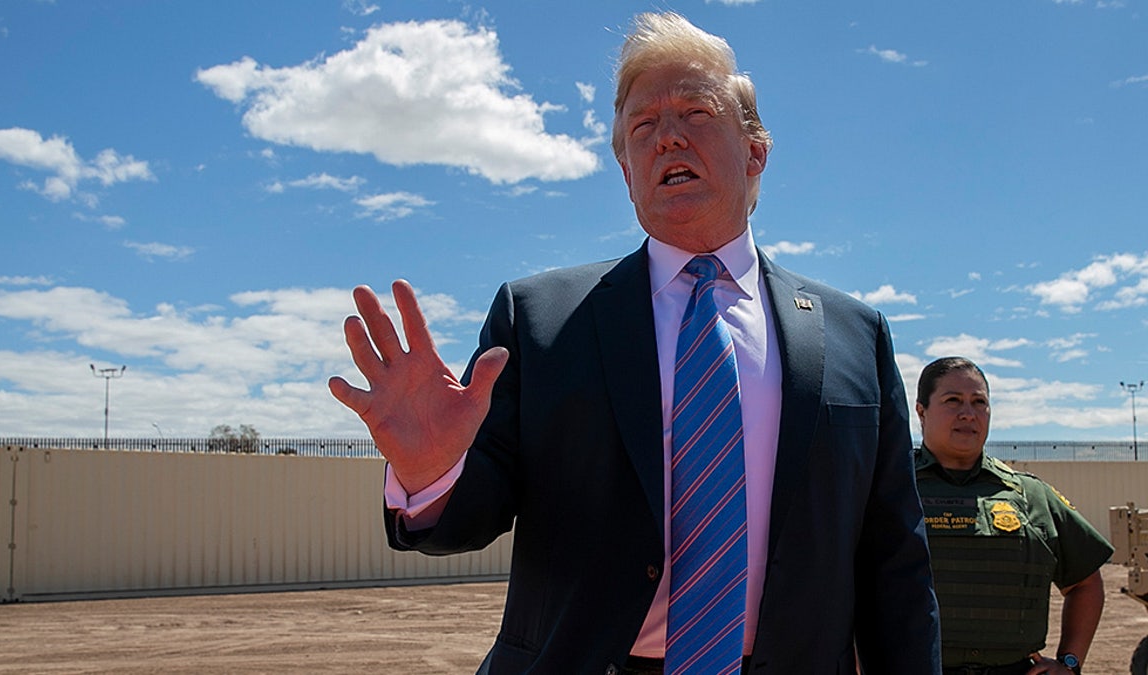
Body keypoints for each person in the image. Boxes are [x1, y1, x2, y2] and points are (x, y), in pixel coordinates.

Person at [330, 12, 940, 674]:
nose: (667, 138)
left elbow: (894, 559)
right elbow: (469, 518)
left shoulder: (854, 333)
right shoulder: (539, 319)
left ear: (755, 150)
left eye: (695, 113)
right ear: (625, 170)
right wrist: (431, 473)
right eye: (643, 128)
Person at [914, 357, 1113, 675]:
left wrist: (1070, 662)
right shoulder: (888, 489)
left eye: (979, 402)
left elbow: (1086, 583)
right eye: (953, 400)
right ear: (921, 411)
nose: (968, 412)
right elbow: (840, 580)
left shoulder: (1030, 494)